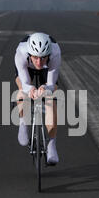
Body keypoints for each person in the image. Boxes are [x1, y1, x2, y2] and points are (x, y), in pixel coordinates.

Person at [14, 32, 61, 165]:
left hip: (49, 69)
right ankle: (23, 122)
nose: (39, 62)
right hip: (25, 68)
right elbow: (24, 83)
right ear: (30, 54)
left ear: (48, 54)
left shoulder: (55, 53)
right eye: (35, 58)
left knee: (50, 99)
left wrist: (45, 89)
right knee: (22, 93)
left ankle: (52, 144)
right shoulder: (21, 52)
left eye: (42, 58)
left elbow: (51, 84)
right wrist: (31, 90)